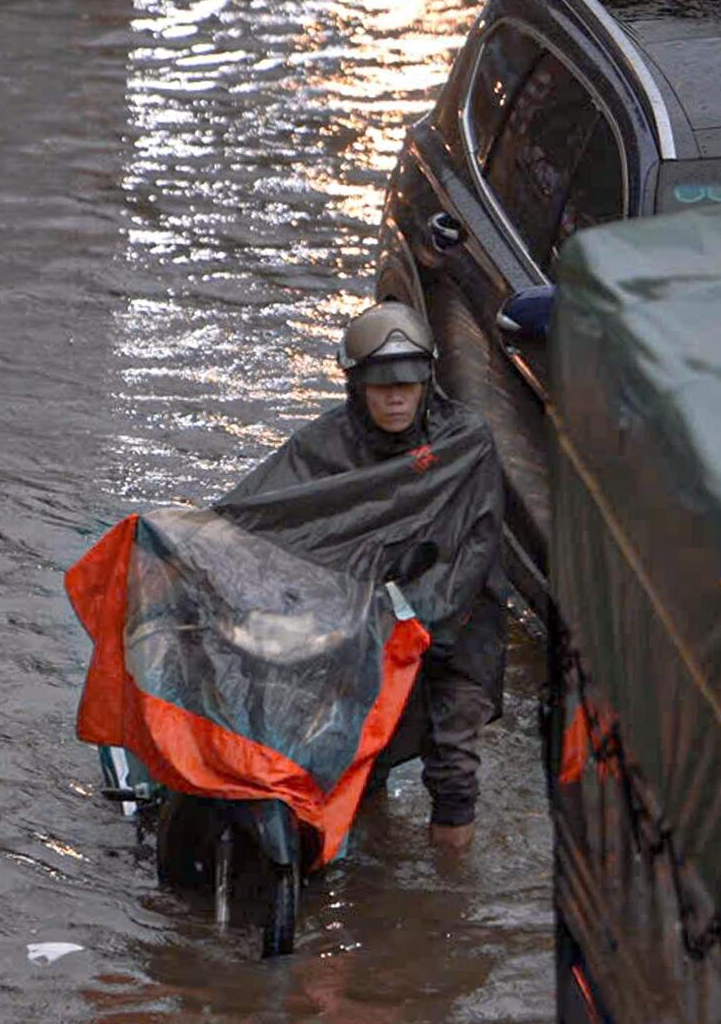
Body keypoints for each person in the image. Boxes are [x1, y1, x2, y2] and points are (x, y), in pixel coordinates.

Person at [215, 302, 506, 851]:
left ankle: (448, 902)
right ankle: (371, 867)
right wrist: (194, 543)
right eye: (381, 388)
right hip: (363, 630)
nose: (395, 399)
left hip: (456, 630)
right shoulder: (324, 446)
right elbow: (262, 511)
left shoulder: (464, 443)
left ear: (427, 383)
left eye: (407, 386)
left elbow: (475, 547)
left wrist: (419, 615)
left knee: (454, 767)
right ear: (356, 386)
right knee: (358, 756)